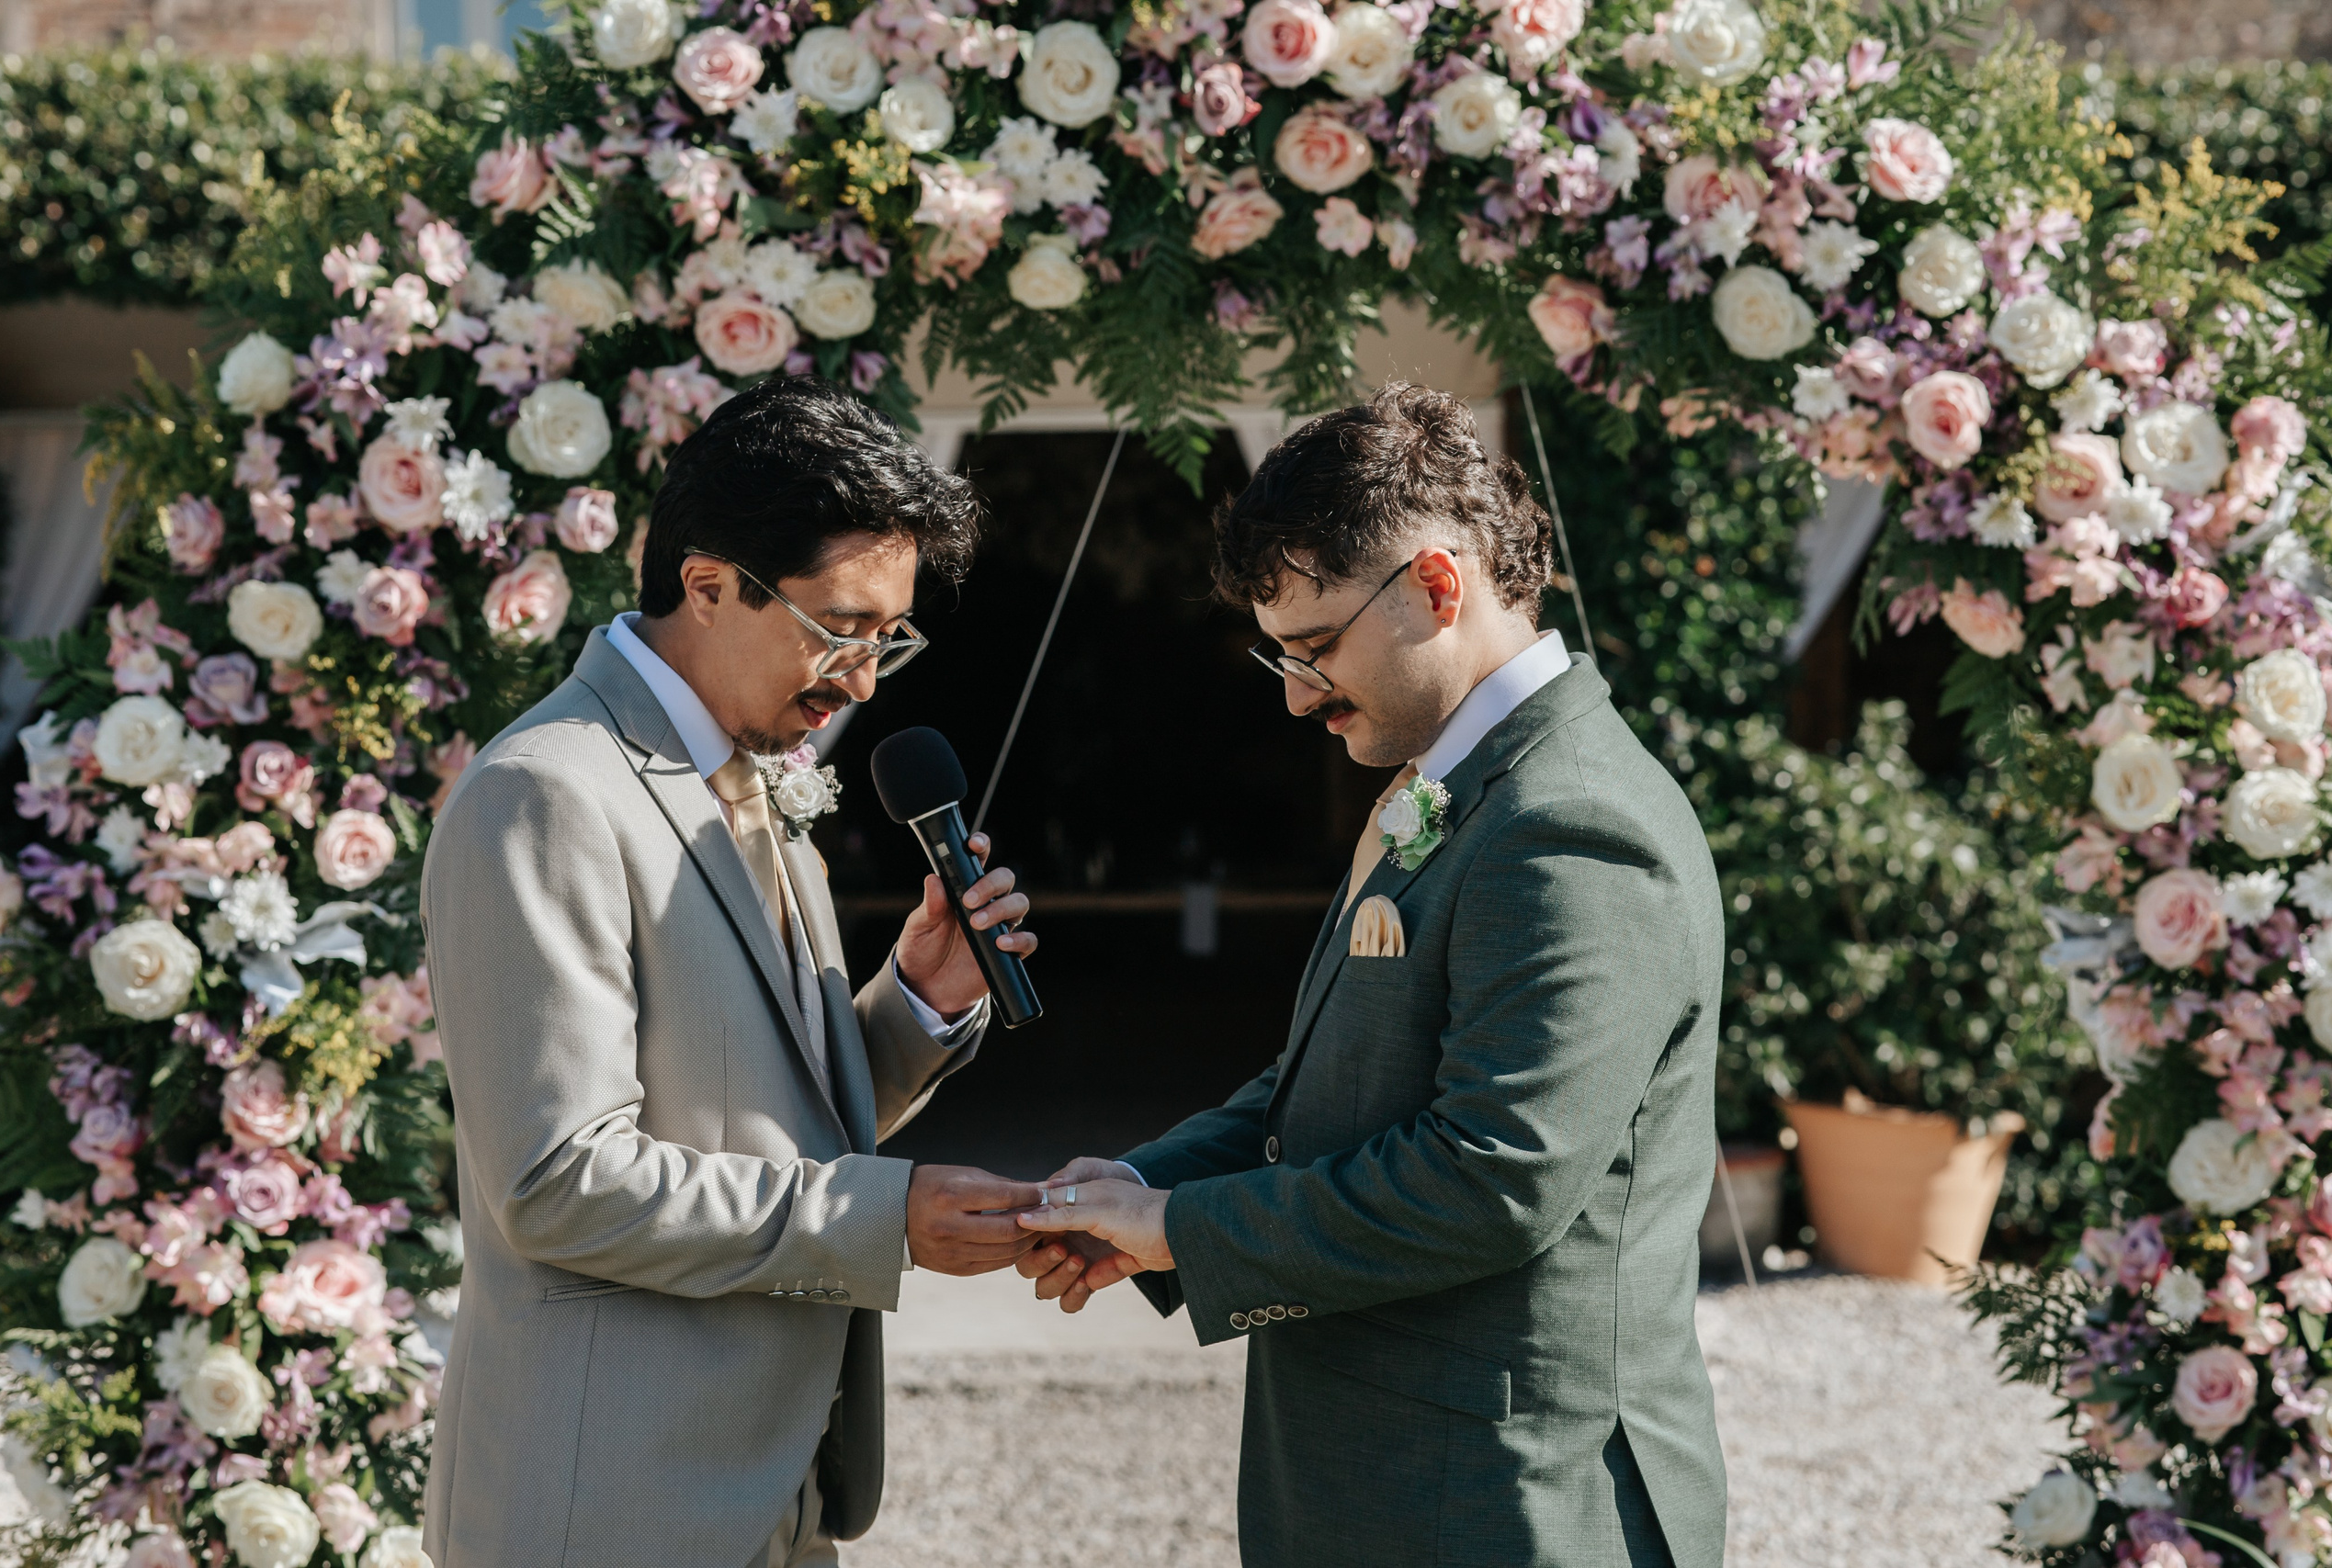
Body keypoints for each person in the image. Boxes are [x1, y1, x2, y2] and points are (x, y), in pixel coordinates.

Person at [1013, 384, 1727, 1566]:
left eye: (1313, 647)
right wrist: (1140, 1186)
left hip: (1508, 1501)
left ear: (1437, 587)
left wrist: (1183, 1227)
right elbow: (1328, 1083)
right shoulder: (1473, 788)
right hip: (1399, 1477)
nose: (1294, 693)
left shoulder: (1576, 820)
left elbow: (1493, 1177)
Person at [419, 378, 1047, 1567]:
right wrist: (888, 1215)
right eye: (841, 628)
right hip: (610, 1510)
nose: (863, 678)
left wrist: (916, 1001)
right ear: (707, 584)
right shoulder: (545, 792)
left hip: (775, 1493)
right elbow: (559, 1178)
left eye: (888, 639)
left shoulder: (755, 774)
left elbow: (760, 1111)